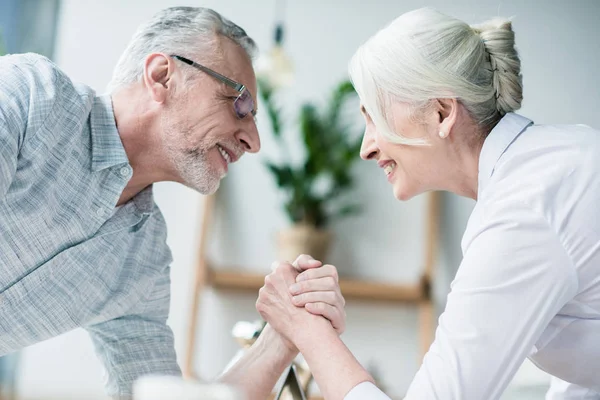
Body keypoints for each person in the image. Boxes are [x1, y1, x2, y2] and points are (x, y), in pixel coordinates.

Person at [0, 7, 346, 399]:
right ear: (162, 76)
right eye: (239, 105)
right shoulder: (27, 96)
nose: (254, 141)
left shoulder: (142, 263)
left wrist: (283, 335)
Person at [256, 7, 600, 400]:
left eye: (375, 117)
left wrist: (307, 331)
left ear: (442, 112)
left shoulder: (523, 211)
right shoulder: (556, 161)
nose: (366, 148)